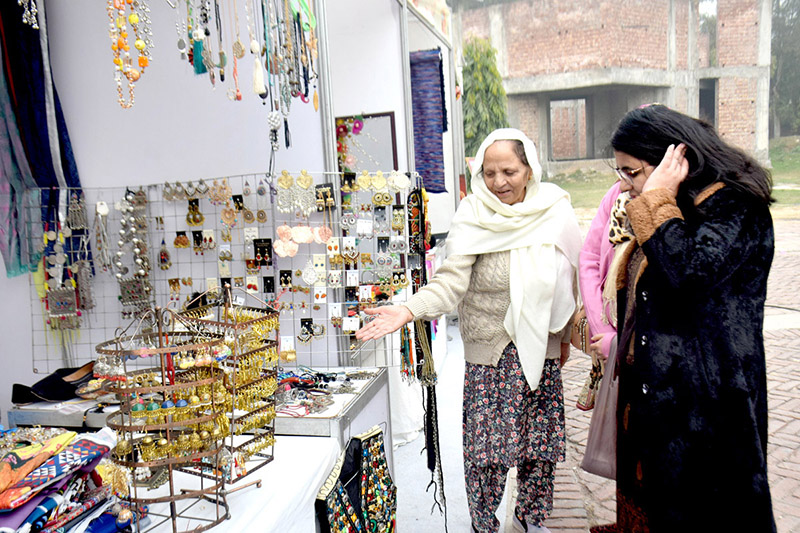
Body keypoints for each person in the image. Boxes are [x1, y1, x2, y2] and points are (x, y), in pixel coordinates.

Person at [356, 128, 582, 533]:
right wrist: (408, 310)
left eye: (509, 171)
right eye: (490, 172)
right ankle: (484, 526)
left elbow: (569, 281)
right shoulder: (473, 214)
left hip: (540, 354)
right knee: (486, 455)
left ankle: (530, 520)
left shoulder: (555, 211)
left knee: (539, 451)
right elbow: (449, 283)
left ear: (529, 169)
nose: (499, 182)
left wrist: (562, 339)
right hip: (490, 358)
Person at [606, 104, 776, 532]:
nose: (625, 186)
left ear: (674, 161)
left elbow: (689, 271)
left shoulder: (735, 205)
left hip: (714, 405)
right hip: (668, 405)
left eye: (633, 172)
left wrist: (656, 198)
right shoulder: (680, 204)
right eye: (621, 173)